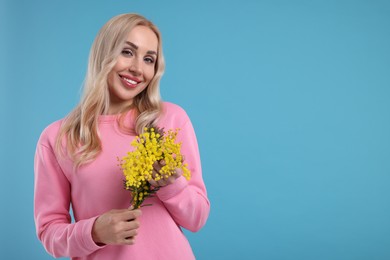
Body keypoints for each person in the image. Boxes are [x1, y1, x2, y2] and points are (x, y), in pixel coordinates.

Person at [34, 13, 210, 260]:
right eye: (127, 52)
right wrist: (93, 231)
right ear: (103, 54)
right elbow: (49, 233)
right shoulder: (57, 138)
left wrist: (172, 185)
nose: (138, 69)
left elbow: (197, 218)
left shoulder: (170, 119)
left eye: (149, 59)